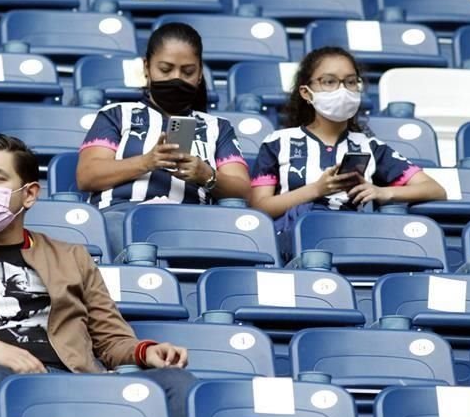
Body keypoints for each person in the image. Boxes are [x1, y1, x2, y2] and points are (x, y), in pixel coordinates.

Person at [0, 134, 194, 417]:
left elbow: (111, 339)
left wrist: (146, 351)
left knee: (177, 382)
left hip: (77, 380)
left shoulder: (71, 256)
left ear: (30, 194)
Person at [249, 46, 446, 256]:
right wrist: (316, 190)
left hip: (352, 243)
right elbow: (259, 208)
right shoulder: (278, 142)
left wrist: (382, 192)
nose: (342, 90)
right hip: (294, 245)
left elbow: (435, 189)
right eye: (329, 81)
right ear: (306, 92)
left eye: (350, 82)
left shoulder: (370, 146)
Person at [75, 22, 251, 255]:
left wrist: (205, 174)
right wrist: (146, 162)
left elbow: (242, 189)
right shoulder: (116, 115)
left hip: (192, 222)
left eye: (187, 72)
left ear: (200, 74)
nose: (176, 78)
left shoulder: (218, 127)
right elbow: (87, 175)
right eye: (165, 70)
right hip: (120, 217)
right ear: (147, 67)